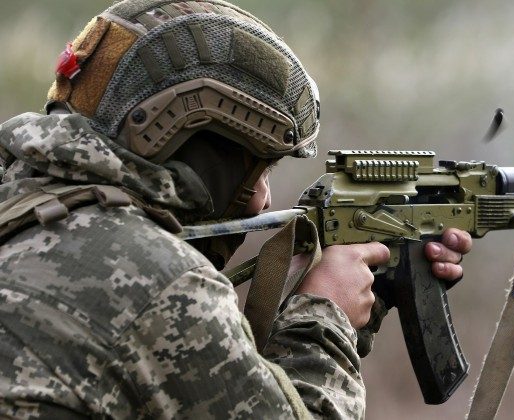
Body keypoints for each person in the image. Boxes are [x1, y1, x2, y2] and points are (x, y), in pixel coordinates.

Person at [0, 1, 472, 418]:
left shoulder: (23, 212)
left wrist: (374, 288)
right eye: (256, 170)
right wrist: (325, 316)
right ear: (187, 139)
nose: (264, 199)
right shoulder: (157, 280)